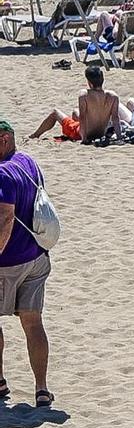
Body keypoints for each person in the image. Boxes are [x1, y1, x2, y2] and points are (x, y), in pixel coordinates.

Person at [0, 119, 54, 409]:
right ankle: (42, 389)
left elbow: (6, 218)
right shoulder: (28, 163)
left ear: (5, 139)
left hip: (7, 263)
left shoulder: (2, 173)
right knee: (33, 324)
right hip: (35, 257)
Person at [30, 61, 122, 145]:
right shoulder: (113, 96)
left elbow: (83, 117)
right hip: (101, 133)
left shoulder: (84, 95)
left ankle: (35, 135)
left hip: (81, 133)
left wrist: (84, 139)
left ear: (89, 83)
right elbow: (115, 118)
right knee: (75, 112)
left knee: (55, 113)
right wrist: (119, 138)